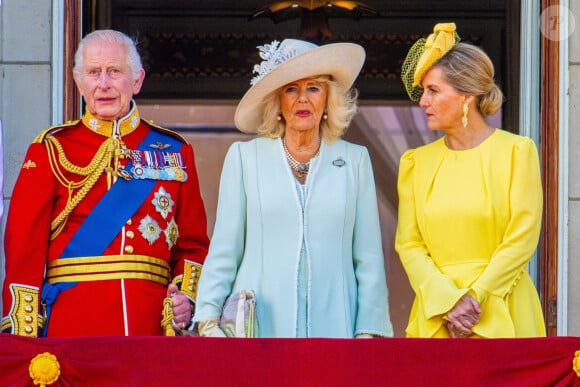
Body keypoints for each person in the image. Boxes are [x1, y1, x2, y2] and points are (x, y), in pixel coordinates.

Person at [1, 30, 209, 337]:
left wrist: (185, 299)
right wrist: (24, 336)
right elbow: (23, 250)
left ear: (137, 80)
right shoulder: (50, 149)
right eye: (94, 72)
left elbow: (193, 245)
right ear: (79, 82)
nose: (104, 84)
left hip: (151, 330)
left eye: (115, 71)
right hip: (71, 329)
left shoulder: (175, 151)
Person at [193, 39, 393, 338]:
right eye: (291, 89)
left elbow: (369, 260)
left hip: (336, 333)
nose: (302, 99)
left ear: (327, 99)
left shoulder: (354, 160)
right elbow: (225, 250)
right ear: (277, 101)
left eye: (313, 88)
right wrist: (209, 319)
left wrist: (368, 333)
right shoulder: (245, 158)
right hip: (259, 334)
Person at [395, 23, 546, 338]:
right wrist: (447, 301)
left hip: (504, 310)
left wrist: (476, 298)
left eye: (433, 90)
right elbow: (409, 245)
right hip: (437, 317)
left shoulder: (517, 152)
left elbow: (522, 239)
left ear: (466, 96)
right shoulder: (415, 163)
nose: (423, 102)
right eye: (423, 91)